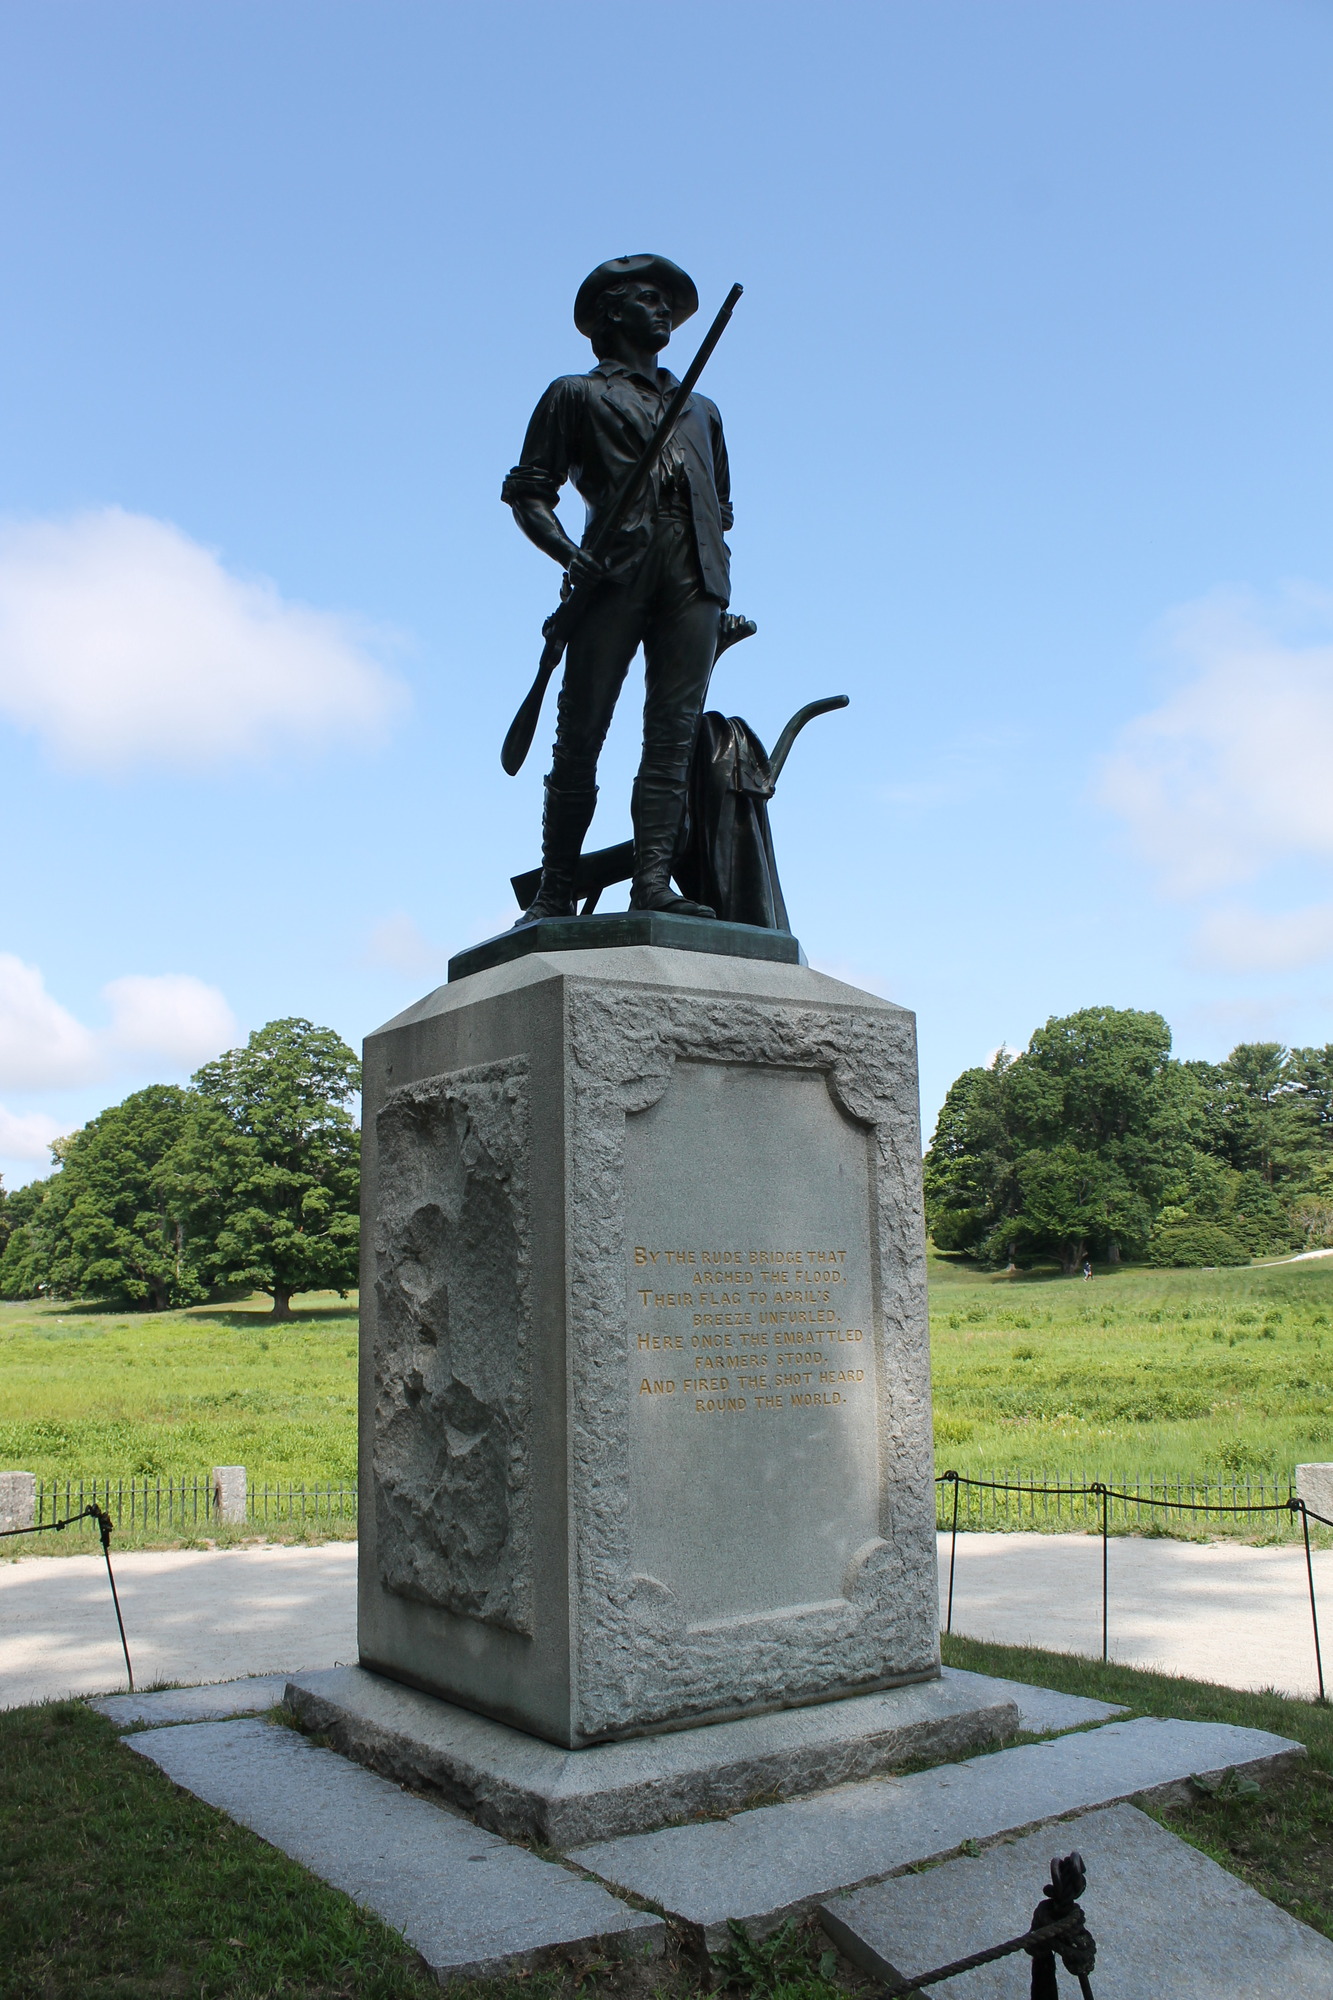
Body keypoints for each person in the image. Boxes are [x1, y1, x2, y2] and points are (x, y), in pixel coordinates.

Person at [502, 254, 734, 922]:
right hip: (611, 572)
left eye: (669, 300)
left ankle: (652, 885)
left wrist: (705, 556)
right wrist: (570, 555)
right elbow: (529, 492)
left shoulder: (702, 409)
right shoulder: (574, 394)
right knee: (580, 735)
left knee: (672, 734)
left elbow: (721, 503)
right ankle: (554, 889)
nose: (662, 308)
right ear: (611, 314)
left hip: (694, 575)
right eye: (646, 297)